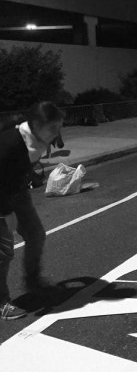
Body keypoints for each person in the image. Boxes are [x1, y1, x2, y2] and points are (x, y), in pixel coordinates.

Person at [0, 101, 64, 320]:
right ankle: (2, 303)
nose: (56, 133)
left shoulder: (38, 134)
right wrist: (6, 212)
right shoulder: (10, 143)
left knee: (36, 235)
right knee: (4, 252)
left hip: (15, 191)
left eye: (58, 127)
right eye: (53, 128)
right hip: (2, 196)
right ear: (36, 125)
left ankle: (33, 281)